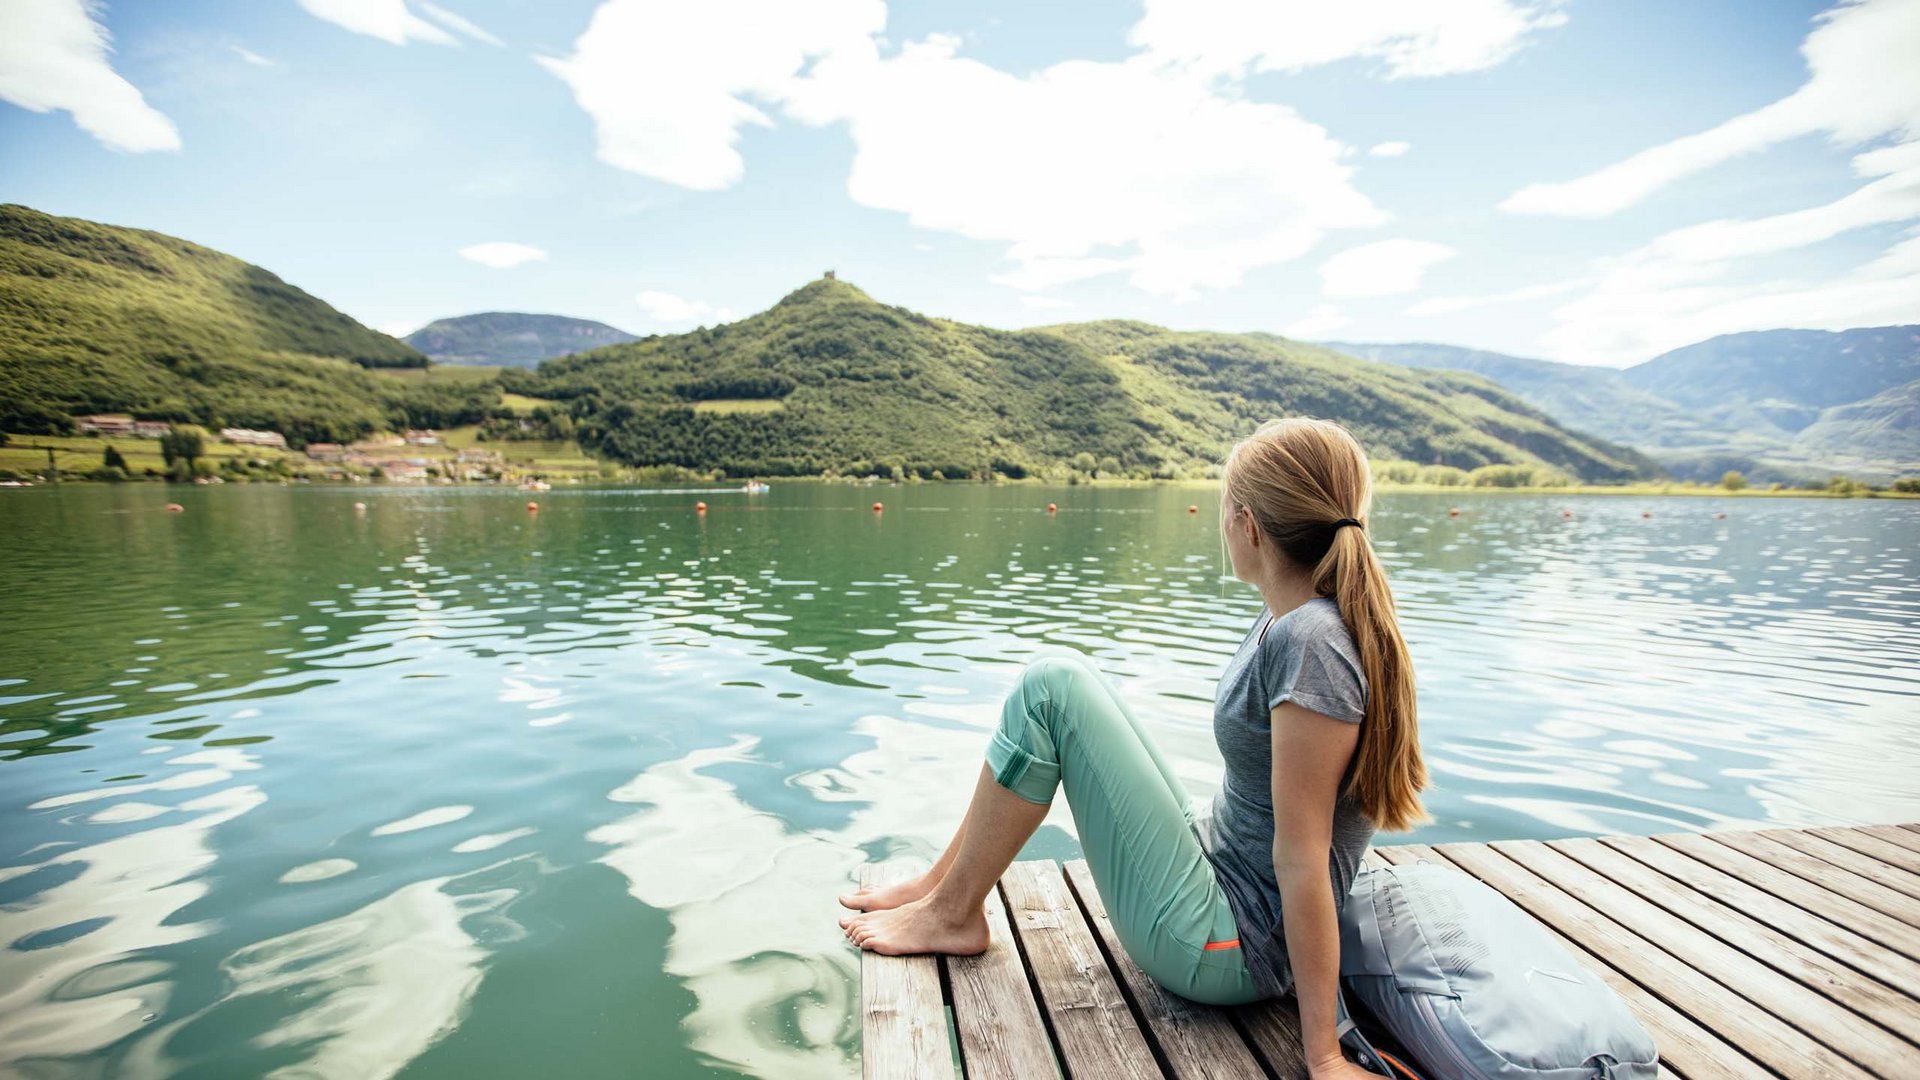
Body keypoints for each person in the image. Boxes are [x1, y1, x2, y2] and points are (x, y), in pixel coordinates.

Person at [838, 417, 1432, 1080]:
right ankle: (940, 890)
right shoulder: (1289, 615)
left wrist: (1323, 1053)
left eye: (1221, 513)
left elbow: (1303, 859)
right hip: (1219, 875)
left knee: (1051, 687)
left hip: (1228, 944)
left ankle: (951, 913)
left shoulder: (1312, 643)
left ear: (1249, 526)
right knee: (1070, 675)